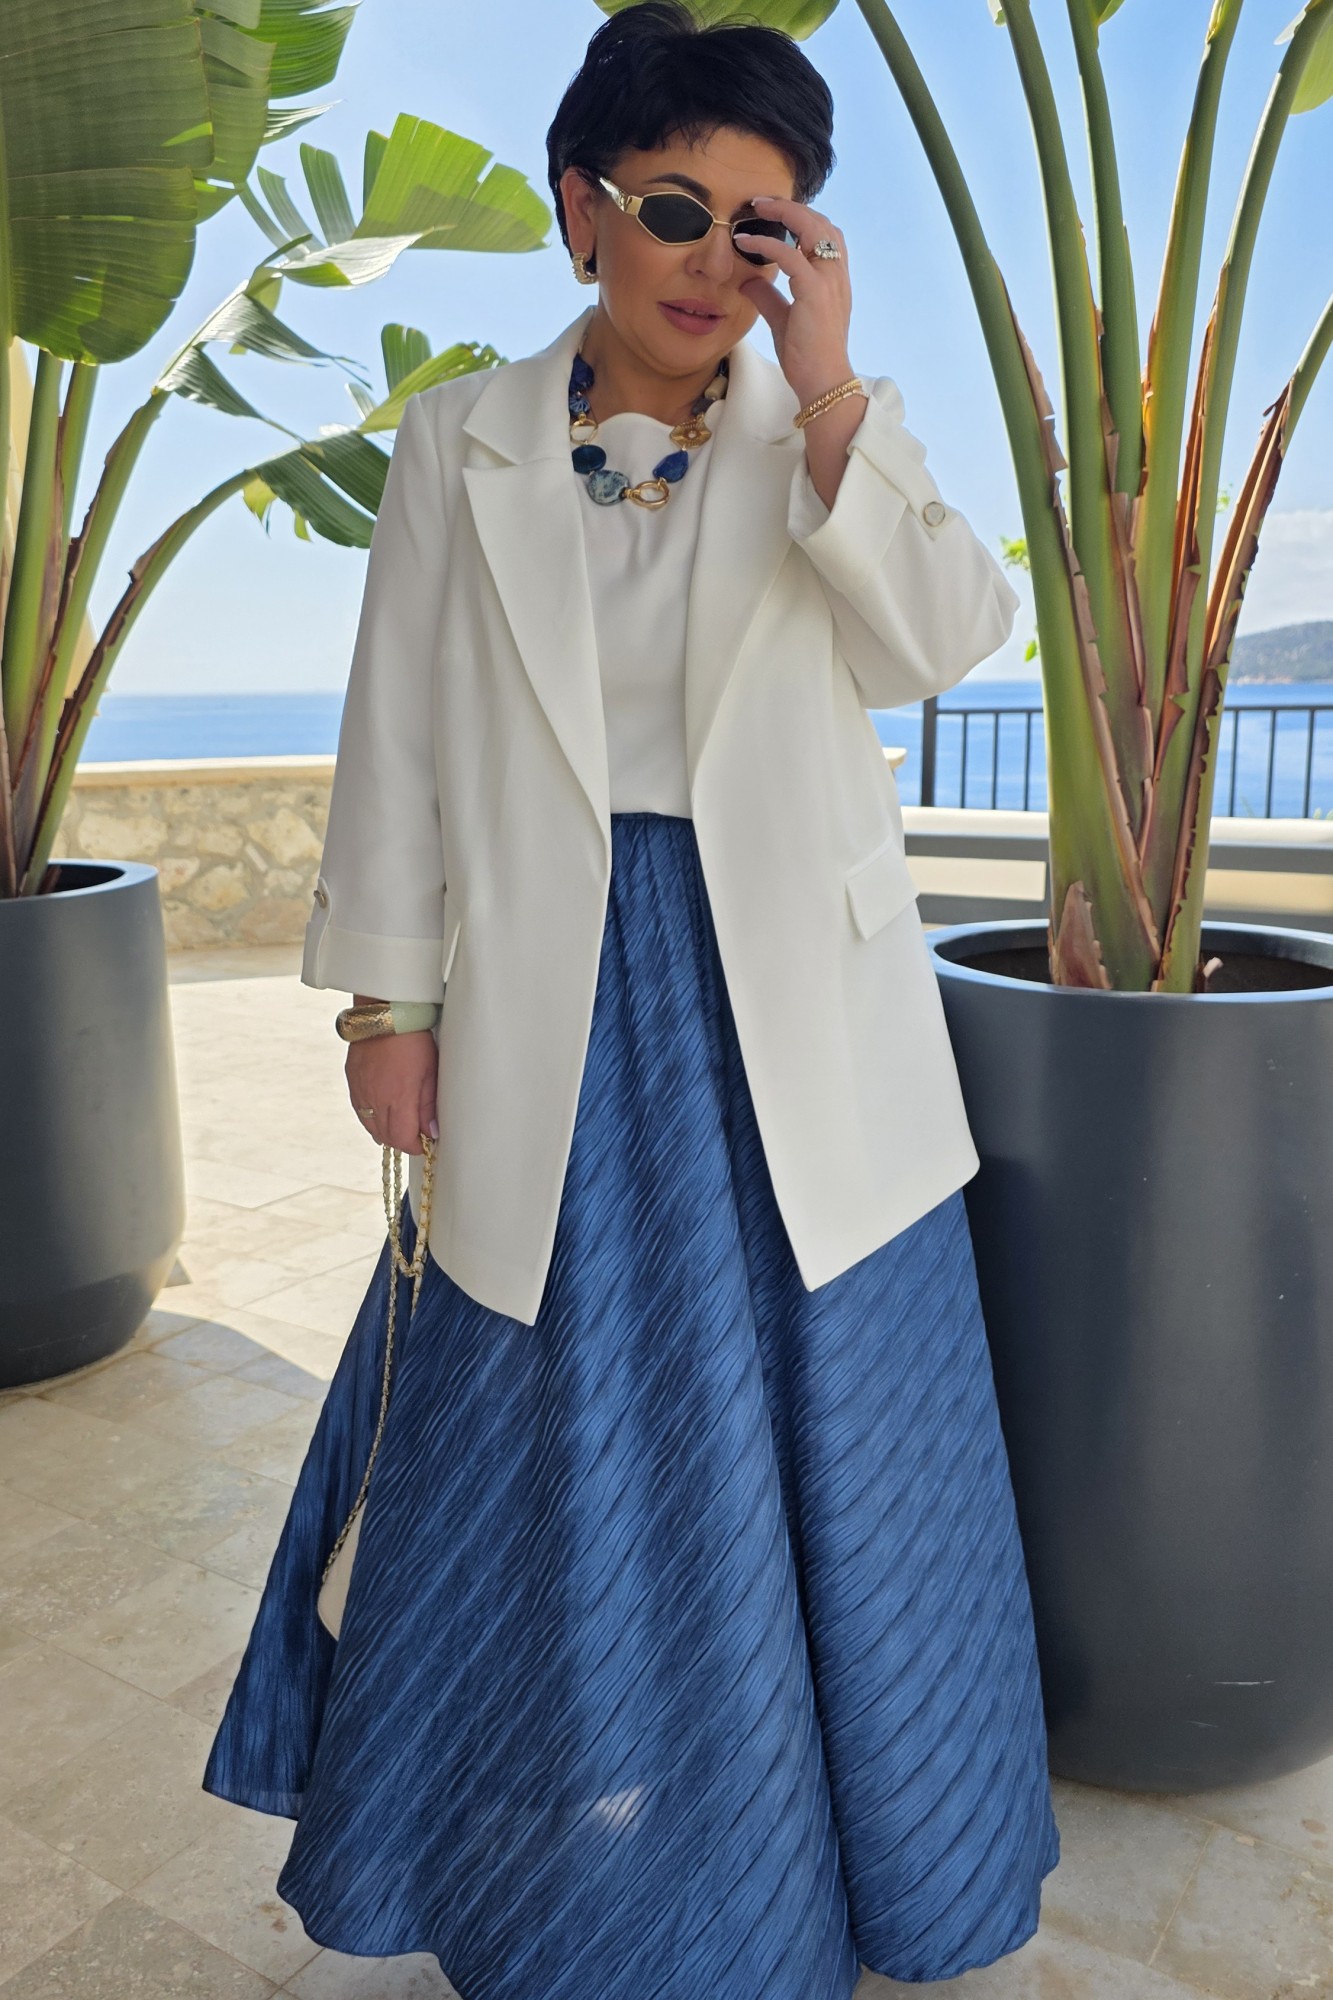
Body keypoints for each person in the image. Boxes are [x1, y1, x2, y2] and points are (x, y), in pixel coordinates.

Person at [202, 5, 1060, 1992]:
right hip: (554, 1011)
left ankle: (878, 1875)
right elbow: (399, 735)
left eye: (765, 225)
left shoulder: (828, 431)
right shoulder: (461, 441)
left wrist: (829, 391)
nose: (713, 259)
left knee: (838, 1448)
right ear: (581, 206)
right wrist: (385, 1005)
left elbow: (949, 635)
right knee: (556, 1452)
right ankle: (565, 1892)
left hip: (801, 1033)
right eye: (676, 207)